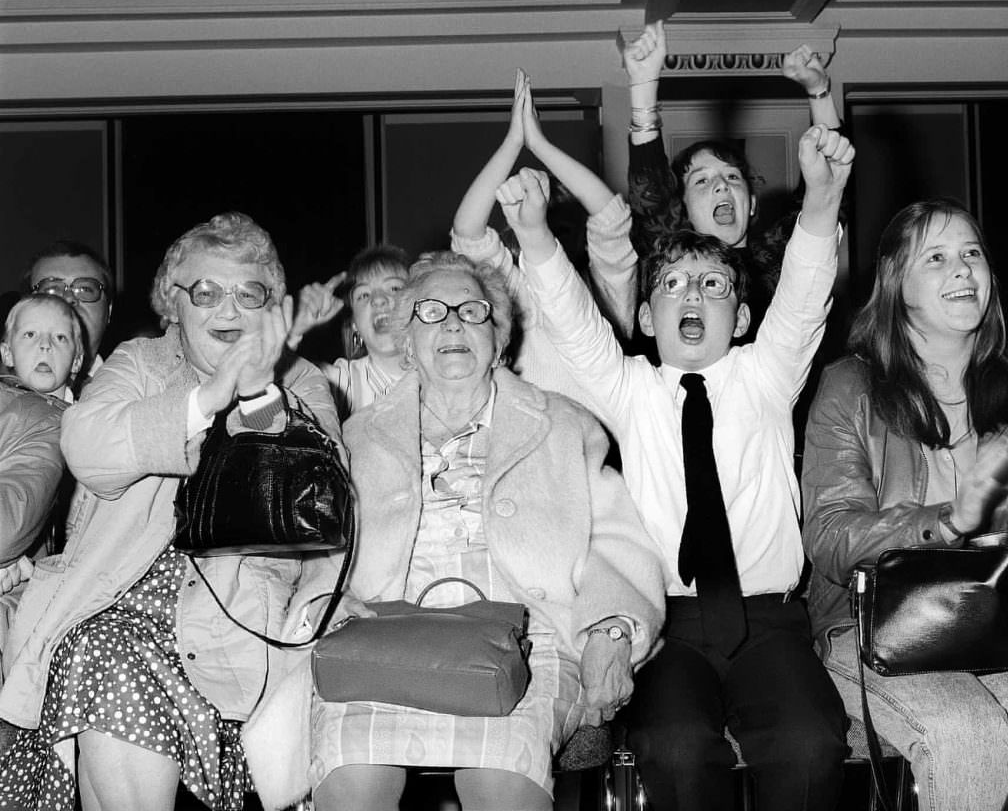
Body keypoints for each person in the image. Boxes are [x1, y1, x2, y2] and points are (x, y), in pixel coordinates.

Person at [508, 123, 853, 811]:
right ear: (644, 311)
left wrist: (822, 200)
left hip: (769, 623)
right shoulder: (628, 387)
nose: (692, 295)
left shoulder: (766, 374)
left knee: (810, 743)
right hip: (665, 625)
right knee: (673, 748)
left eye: (713, 284)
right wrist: (536, 237)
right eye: (671, 283)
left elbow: (808, 289)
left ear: (744, 314)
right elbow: (573, 320)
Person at [0, 212, 342, 811]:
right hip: (113, 596)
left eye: (248, 293)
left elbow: (309, 503)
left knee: (113, 658)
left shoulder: (304, 381)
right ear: (172, 304)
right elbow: (87, 447)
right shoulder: (140, 363)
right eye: (204, 293)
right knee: (102, 649)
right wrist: (206, 399)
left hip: (240, 618)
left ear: (272, 306)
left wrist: (259, 389)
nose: (227, 310)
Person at [299, 251, 665, 811]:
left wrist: (611, 629)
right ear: (406, 338)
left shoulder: (562, 424)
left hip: (526, 640)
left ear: (498, 337)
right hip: (384, 642)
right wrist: (327, 598)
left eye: (472, 311)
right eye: (431, 311)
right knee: (351, 784)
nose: (451, 323)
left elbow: (613, 540)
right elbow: (325, 545)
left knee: (502, 786)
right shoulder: (358, 435)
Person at [802, 198, 1008, 811]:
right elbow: (832, 542)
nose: (963, 270)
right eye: (937, 258)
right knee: (967, 735)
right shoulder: (850, 387)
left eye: (972, 254)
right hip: (882, 625)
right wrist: (950, 520)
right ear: (897, 283)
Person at [623, 21, 842, 314]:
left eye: (732, 176)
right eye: (701, 181)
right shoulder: (672, 262)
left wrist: (819, 89)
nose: (722, 185)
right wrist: (643, 85)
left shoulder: (780, 257)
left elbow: (829, 189)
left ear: (751, 203)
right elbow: (650, 193)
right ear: (681, 209)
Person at [451, 68, 638, 395]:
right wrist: (513, 141)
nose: (548, 237)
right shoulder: (513, 291)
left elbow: (610, 216)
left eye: (558, 228)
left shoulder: (607, 290)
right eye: (536, 225)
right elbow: (468, 234)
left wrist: (539, 143)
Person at [0, 294, 81, 594]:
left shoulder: (67, 421)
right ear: (7, 353)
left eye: (60, 337)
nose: (45, 345)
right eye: (30, 334)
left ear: (77, 360)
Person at [287, 245, 409, 417]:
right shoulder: (342, 382)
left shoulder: (443, 367)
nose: (378, 299)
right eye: (364, 295)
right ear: (354, 324)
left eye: (394, 288)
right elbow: (270, 387)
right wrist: (293, 331)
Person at [26, 241, 115, 380]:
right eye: (51, 290)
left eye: (86, 289)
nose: (68, 298)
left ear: (108, 311)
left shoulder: (143, 391)